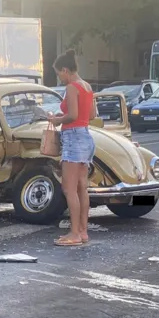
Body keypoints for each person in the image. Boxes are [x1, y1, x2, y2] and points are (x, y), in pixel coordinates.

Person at [48, 49, 97, 247]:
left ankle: (74, 233)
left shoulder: (72, 88)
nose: (59, 78)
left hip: (73, 137)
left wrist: (56, 119)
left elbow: (72, 115)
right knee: (81, 187)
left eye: (59, 73)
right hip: (85, 137)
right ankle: (83, 231)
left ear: (66, 70)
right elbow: (91, 114)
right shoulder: (87, 86)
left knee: (69, 188)